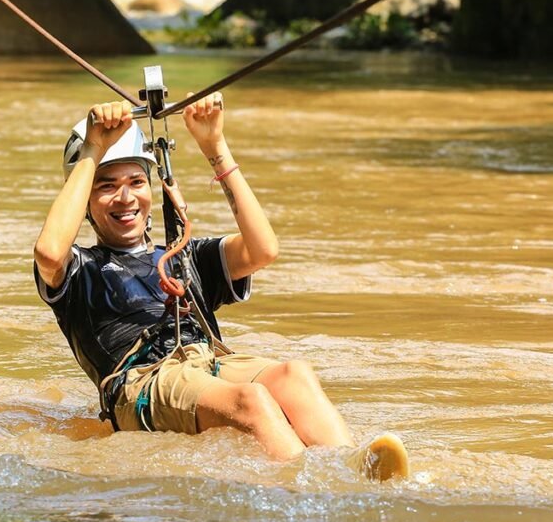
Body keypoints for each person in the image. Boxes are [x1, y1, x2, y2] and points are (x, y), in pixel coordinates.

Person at [34, 93, 404, 476]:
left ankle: (353, 468)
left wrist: (215, 146)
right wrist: (94, 148)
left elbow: (263, 249)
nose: (126, 197)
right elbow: (48, 252)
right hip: (142, 382)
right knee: (251, 400)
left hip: (208, 363)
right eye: (106, 186)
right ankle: (315, 486)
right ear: (85, 200)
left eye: (137, 181)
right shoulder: (79, 267)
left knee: (294, 374)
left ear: (153, 187)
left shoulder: (184, 255)